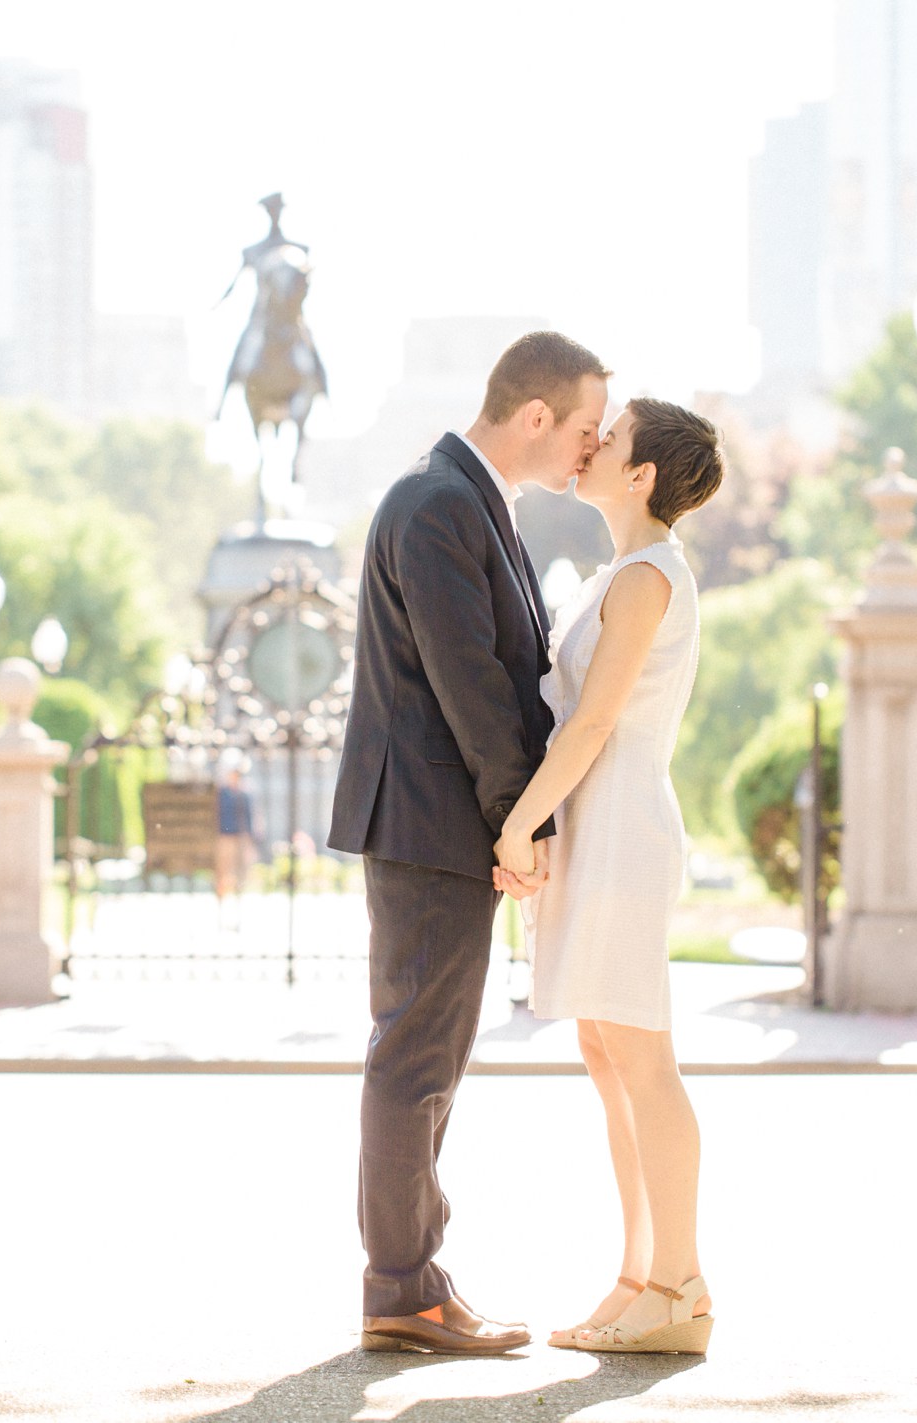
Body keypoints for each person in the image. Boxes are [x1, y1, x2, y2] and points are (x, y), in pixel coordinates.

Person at [328, 331, 608, 1355]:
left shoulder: (460, 497)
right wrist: (518, 821)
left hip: (433, 824)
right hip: (430, 825)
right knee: (414, 1056)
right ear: (533, 416)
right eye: (582, 429)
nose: (589, 449)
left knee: (425, 1053)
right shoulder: (438, 502)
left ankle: (411, 1276)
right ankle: (400, 1285)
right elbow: (473, 691)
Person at [494, 397, 727, 1355]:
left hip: (624, 829)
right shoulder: (621, 572)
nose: (592, 444)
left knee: (642, 1054)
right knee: (606, 1053)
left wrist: (516, 824)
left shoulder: (647, 576)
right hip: (599, 828)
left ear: (641, 476)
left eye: (613, 436)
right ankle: (638, 1276)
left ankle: (681, 1283)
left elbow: (591, 723)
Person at [214, 756, 258, 920]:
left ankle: (238, 910)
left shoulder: (245, 793)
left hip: (241, 838)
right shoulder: (221, 793)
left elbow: (250, 818)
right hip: (224, 838)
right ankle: (221, 909)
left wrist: (250, 841)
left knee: (241, 875)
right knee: (222, 875)